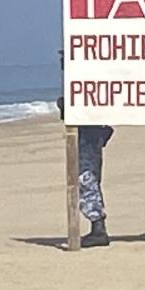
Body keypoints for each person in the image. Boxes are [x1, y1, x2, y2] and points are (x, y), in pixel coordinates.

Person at [57, 93, 114, 246]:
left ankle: (98, 227)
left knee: (85, 176)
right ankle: (98, 226)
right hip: (91, 123)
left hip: (89, 126)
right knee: (89, 176)